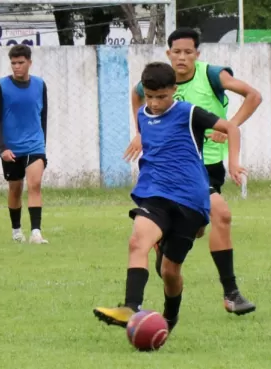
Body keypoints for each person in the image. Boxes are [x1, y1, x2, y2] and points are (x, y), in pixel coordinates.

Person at [93, 62, 245, 332]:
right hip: (155, 193)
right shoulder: (142, 114)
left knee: (169, 271)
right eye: (150, 97)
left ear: (174, 90)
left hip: (190, 199)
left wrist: (233, 163)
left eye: (161, 97)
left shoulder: (189, 113)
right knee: (137, 240)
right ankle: (131, 307)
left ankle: (169, 319)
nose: (155, 103)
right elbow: (143, 116)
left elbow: (231, 129)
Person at [124, 28, 262, 315]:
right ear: (168, 54)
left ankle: (228, 290)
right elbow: (137, 99)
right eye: (177, 52)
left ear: (197, 54)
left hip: (205, 168)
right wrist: (139, 133)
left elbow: (253, 96)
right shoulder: (153, 83)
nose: (182, 57)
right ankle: (230, 292)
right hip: (172, 175)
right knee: (217, 215)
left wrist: (227, 127)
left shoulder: (213, 75)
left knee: (202, 226)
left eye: (188, 52)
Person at [0, 44, 49, 244]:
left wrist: (42, 145)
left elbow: (43, 116)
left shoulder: (40, 85)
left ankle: (36, 233)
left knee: (35, 184)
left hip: (35, 145)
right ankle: (16, 231)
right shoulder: (1, 86)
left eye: (20, 63)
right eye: (13, 63)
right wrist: (2, 148)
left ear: (29, 63)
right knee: (15, 189)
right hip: (11, 148)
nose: (16, 67)